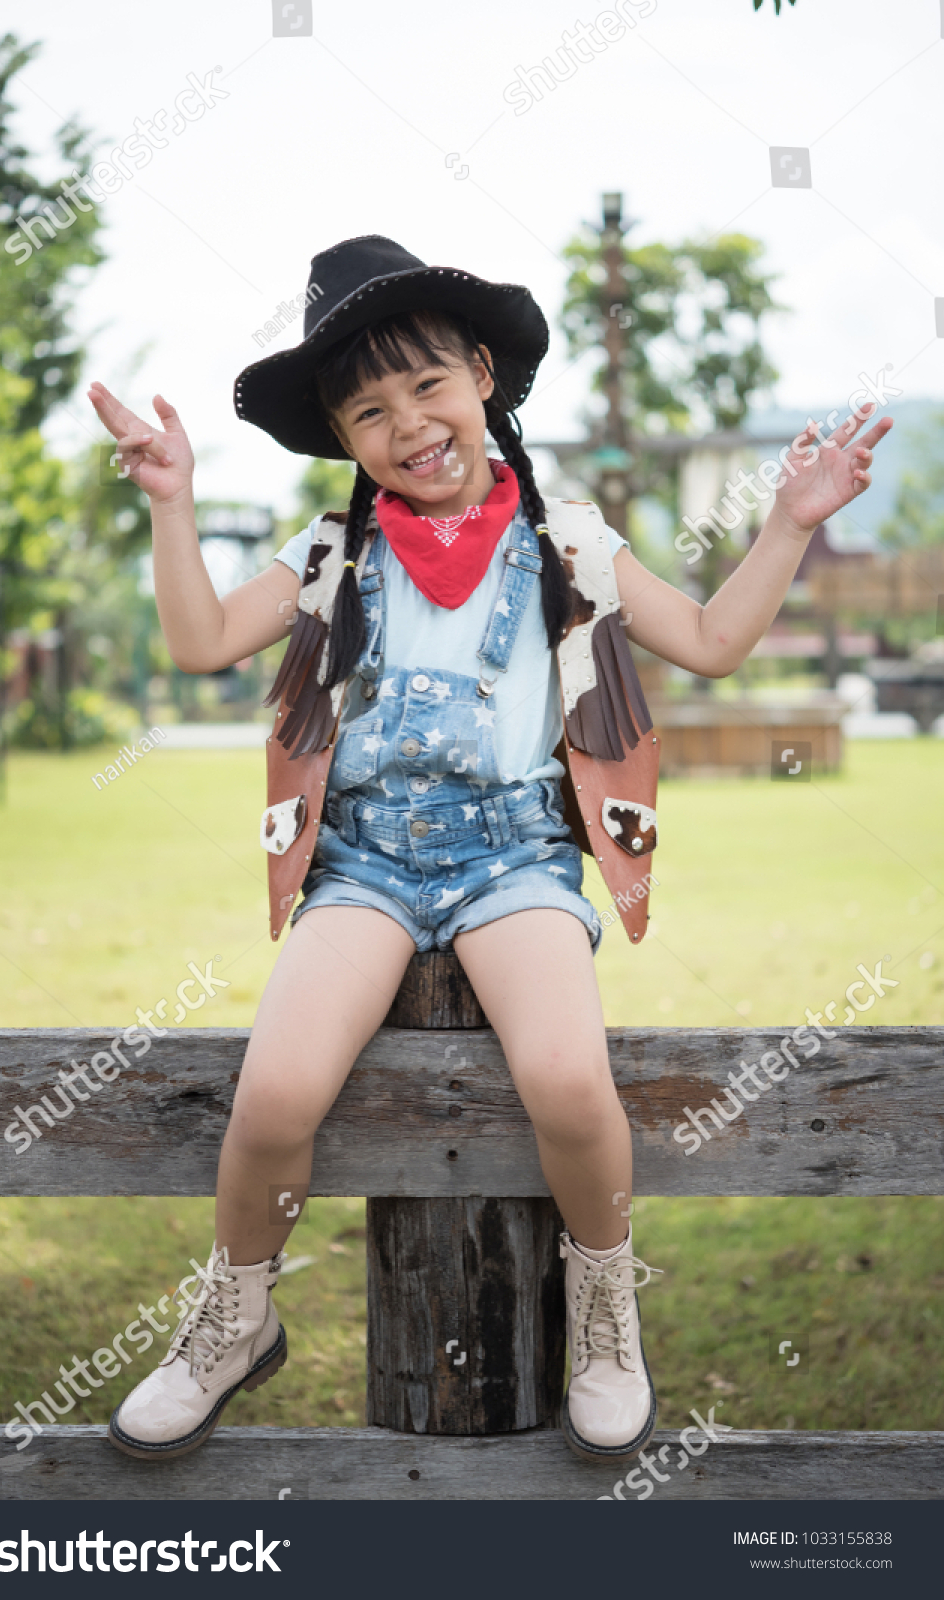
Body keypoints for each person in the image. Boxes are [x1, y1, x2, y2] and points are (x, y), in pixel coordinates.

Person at [87, 234, 891, 1466]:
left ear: (481, 377)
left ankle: (607, 1307)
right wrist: (173, 504)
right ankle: (237, 1312)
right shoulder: (329, 554)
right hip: (365, 863)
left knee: (571, 1080)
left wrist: (785, 523)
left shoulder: (569, 544)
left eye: (426, 387)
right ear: (346, 440)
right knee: (275, 1093)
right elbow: (198, 639)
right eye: (369, 409)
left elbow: (715, 640)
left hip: (514, 858)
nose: (407, 423)